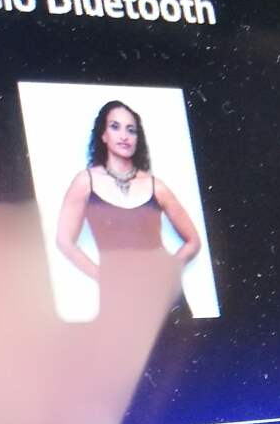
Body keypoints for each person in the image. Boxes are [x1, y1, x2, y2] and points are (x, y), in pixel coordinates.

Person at [53, 100, 203, 304]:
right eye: (115, 127)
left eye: (131, 130)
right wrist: (104, 278)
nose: (124, 136)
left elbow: (193, 241)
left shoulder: (155, 186)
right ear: (103, 135)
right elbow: (64, 241)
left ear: (137, 139)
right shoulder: (85, 182)